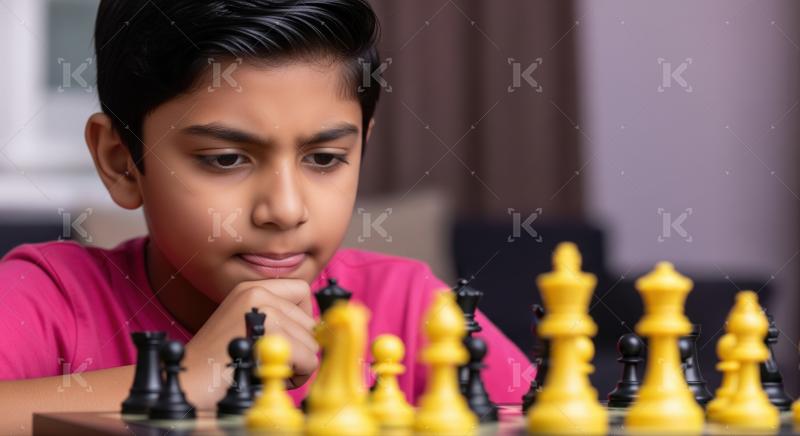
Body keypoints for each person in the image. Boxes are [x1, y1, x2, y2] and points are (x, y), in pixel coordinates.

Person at [0, 0, 530, 431]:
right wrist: (184, 380)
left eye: (324, 159)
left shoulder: (412, 307)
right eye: (226, 159)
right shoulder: (48, 300)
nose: (285, 210)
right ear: (121, 163)